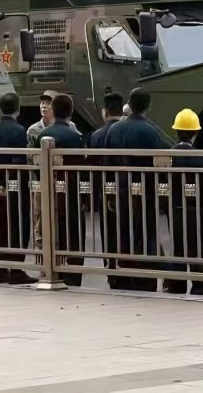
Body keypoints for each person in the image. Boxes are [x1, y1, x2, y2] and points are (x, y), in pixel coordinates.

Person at [104, 87, 173, 291]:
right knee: (145, 234)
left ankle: (124, 276)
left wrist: (109, 192)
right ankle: (146, 279)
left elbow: (107, 162)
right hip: (145, 192)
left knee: (123, 233)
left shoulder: (114, 129)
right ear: (148, 107)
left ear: (130, 104)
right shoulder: (150, 131)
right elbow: (157, 163)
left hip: (119, 189)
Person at [0, 93, 38, 285]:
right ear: (17, 109)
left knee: (1, 226)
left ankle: (2, 269)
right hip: (16, 188)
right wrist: (8, 183)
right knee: (19, 226)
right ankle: (16, 269)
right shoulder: (19, 131)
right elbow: (19, 161)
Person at [36, 94, 86, 286]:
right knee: (73, 234)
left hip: (47, 192)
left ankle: (50, 270)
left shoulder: (41, 135)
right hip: (71, 194)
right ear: (71, 112)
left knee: (48, 231)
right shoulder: (76, 137)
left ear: (54, 111)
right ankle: (73, 275)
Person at [162, 109, 203, 295]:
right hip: (198, 211)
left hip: (175, 209)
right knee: (199, 250)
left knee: (178, 248)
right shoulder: (202, 157)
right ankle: (200, 288)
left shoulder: (169, 155)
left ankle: (176, 286)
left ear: (176, 131)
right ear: (196, 132)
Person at [86, 91, 124, 288]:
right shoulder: (125, 131)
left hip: (105, 191)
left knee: (108, 232)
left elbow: (92, 168)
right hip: (128, 189)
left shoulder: (97, 135)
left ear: (104, 112)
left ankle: (111, 271)